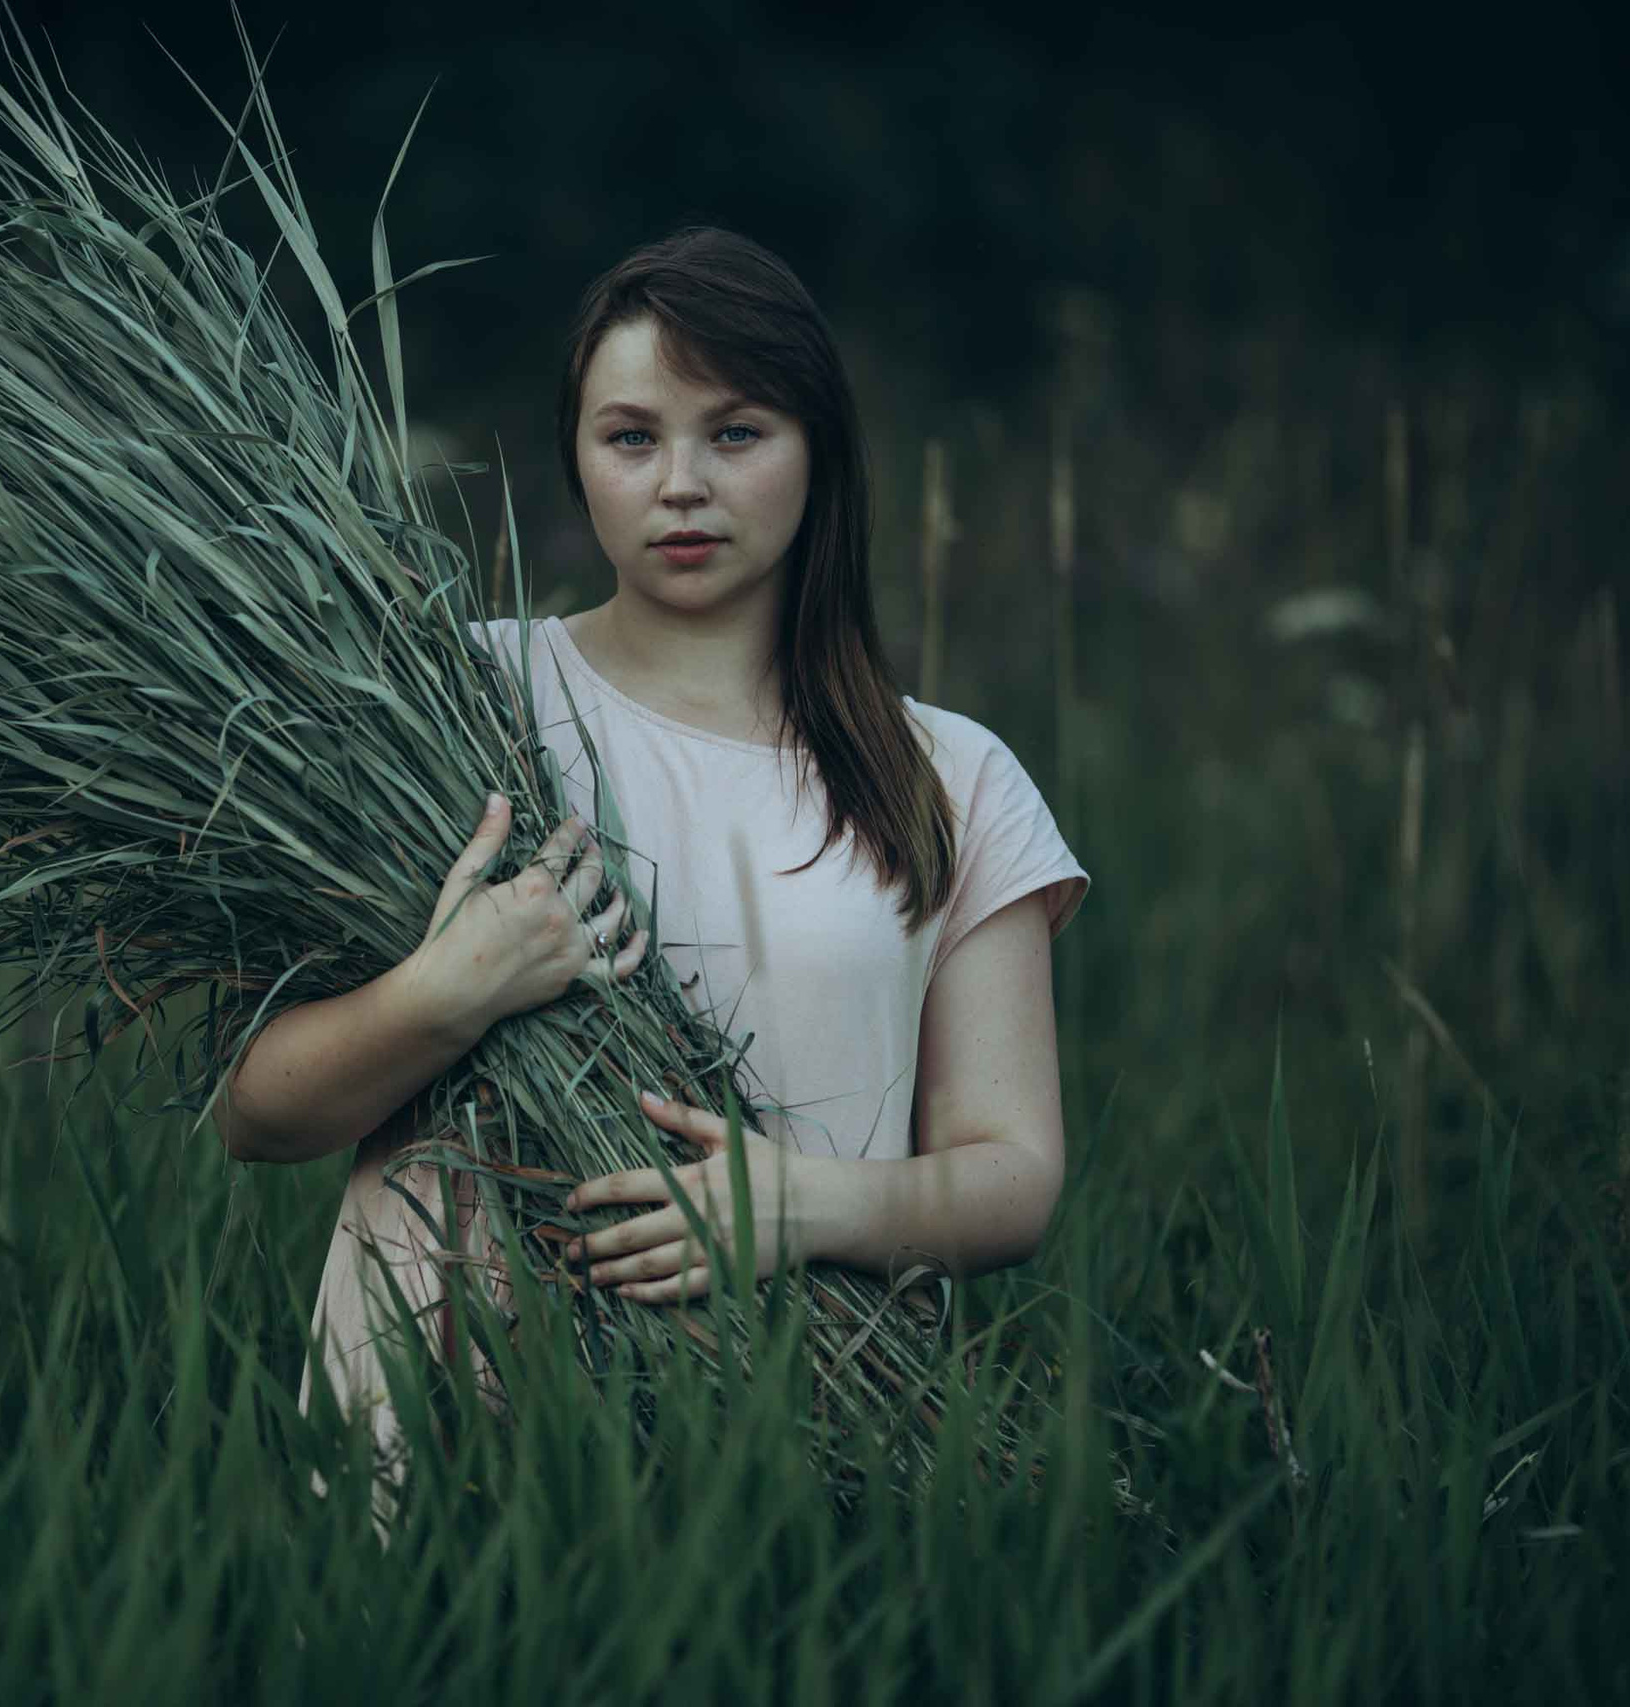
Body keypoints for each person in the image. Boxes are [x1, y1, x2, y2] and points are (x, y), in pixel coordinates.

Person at [214, 226, 1089, 1522]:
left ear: (820, 453)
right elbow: (258, 1112)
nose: (681, 483)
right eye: (632, 437)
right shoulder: (452, 705)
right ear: (577, 458)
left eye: (736, 433)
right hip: (442, 1400)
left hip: (801, 1432)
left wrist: (801, 1206)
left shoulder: (948, 775)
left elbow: (1012, 1173)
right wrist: (444, 995)